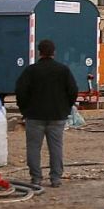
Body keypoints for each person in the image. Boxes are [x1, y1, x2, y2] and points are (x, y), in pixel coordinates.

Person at [14, 38, 78, 187]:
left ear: (39, 52)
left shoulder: (31, 71)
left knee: (33, 148)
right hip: (57, 115)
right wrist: (66, 108)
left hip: (34, 116)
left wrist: (24, 109)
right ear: (54, 52)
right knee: (56, 147)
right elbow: (73, 91)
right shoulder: (63, 70)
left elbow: (20, 91)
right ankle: (55, 179)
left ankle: (36, 178)